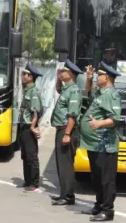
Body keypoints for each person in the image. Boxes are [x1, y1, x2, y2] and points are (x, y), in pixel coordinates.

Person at [79, 62, 123, 222]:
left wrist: (99, 123)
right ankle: (98, 205)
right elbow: (89, 93)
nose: (97, 77)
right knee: (96, 177)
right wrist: (89, 78)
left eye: (99, 75)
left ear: (107, 77)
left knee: (106, 179)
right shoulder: (100, 92)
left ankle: (107, 210)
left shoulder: (112, 95)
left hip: (106, 145)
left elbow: (115, 119)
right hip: (94, 144)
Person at [48, 59, 83, 206]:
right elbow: (58, 90)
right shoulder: (67, 88)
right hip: (61, 130)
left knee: (66, 165)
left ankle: (68, 196)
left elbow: (72, 116)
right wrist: (58, 78)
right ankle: (64, 194)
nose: (61, 73)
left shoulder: (74, 91)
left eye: (64, 71)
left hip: (67, 131)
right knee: (61, 164)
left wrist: (67, 134)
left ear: (71, 74)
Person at [19, 64, 43, 192]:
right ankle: (27, 180)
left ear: (31, 77)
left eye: (24, 74)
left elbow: (36, 112)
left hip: (29, 127)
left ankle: (34, 182)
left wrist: (33, 126)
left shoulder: (33, 92)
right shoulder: (27, 89)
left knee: (31, 156)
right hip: (23, 127)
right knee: (25, 155)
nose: (22, 76)